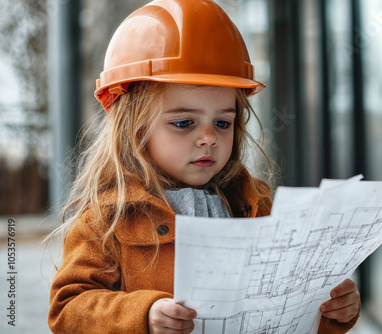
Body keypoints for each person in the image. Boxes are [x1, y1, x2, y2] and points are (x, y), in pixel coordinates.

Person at [47, 0, 361, 333]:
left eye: (222, 123)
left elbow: (288, 304)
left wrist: (332, 311)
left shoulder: (255, 205)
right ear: (133, 129)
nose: (208, 138)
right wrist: (144, 314)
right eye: (184, 123)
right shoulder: (107, 217)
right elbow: (67, 310)